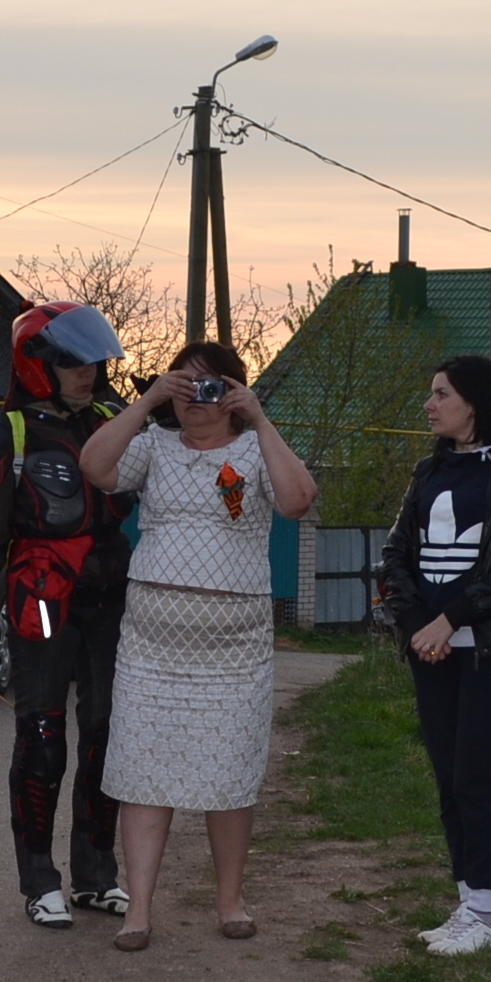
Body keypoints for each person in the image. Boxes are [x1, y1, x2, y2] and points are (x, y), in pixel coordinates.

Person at [76, 340, 316, 949]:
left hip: (234, 654)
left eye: (208, 387)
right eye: (183, 387)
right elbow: (96, 468)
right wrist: (147, 400)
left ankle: (230, 902)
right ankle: (140, 912)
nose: (195, 400)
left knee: (229, 774)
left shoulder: (255, 448)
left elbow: (297, 500)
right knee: (142, 774)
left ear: (234, 394)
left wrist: (261, 420)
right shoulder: (153, 447)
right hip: (151, 650)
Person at [0, 303, 137, 928]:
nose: (87, 372)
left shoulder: (118, 420)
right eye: (70, 362)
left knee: (108, 735)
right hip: (40, 595)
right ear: (38, 365)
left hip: (112, 594)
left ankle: (96, 876)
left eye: (92, 360)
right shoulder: (3, 435)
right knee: (41, 736)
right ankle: (40, 881)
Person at [380, 354, 491, 959]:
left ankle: (486, 917)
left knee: (477, 776)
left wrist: (450, 620)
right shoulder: (427, 473)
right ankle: (467, 905)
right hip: (430, 651)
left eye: (441, 395)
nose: (430, 405)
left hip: (487, 649)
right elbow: (397, 555)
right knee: (448, 778)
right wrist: (414, 628)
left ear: (474, 402)